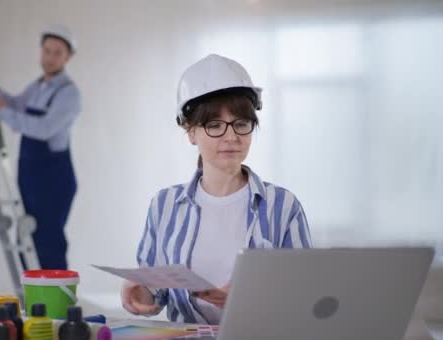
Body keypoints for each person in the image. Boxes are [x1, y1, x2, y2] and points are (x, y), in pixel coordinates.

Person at [120, 54, 312, 324]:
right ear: (191, 132)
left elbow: (306, 295)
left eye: (241, 124)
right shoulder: (164, 206)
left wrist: (254, 297)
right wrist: (139, 292)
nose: (231, 137)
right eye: (214, 125)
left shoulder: (283, 206)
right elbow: (155, 292)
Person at [0, 25, 80, 270]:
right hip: (30, 176)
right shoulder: (38, 86)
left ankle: (57, 305)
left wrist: (3, 111)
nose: (50, 57)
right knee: (26, 237)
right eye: (47, 50)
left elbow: (43, 129)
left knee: (48, 243)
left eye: (57, 52)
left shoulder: (69, 93)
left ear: (68, 57)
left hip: (53, 181)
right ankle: (32, 302)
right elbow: (19, 105)